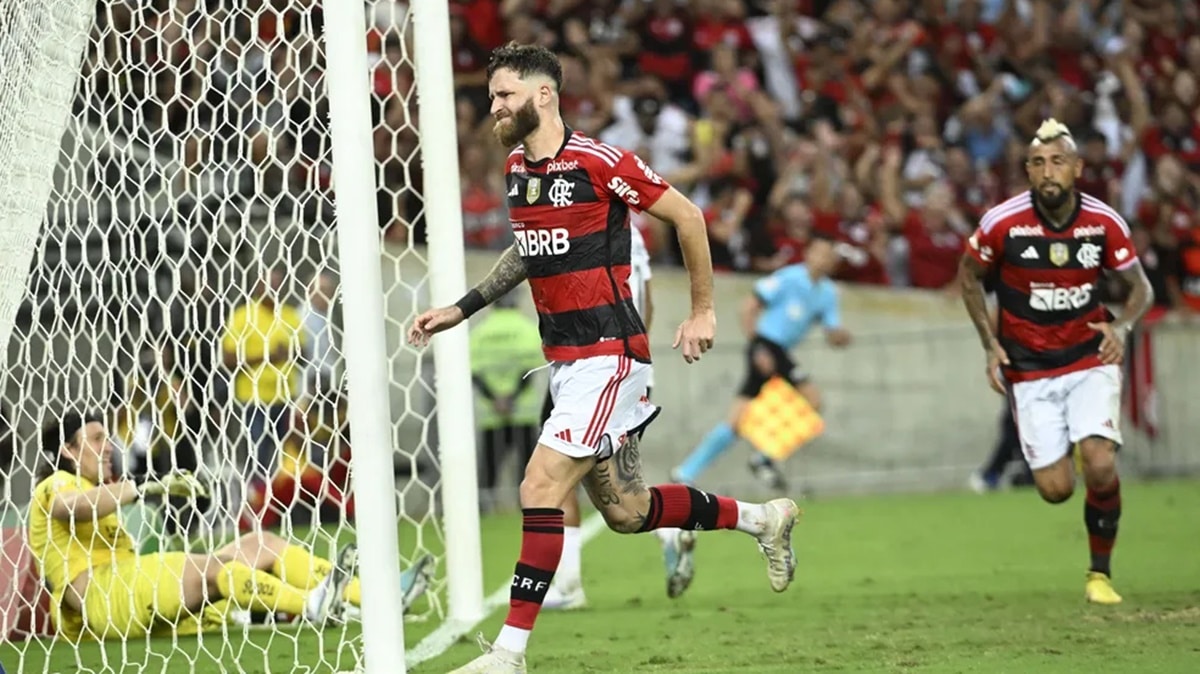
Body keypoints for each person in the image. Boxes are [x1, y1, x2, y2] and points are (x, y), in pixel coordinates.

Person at [409, 43, 799, 673]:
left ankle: (508, 654)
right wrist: (463, 306)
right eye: (491, 97)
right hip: (567, 360)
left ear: (543, 95)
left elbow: (689, 216)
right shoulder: (516, 168)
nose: (494, 107)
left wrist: (702, 310)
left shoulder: (600, 162)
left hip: (610, 354)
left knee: (538, 484)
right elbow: (529, 251)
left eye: (504, 95)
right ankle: (762, 519)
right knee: (626, 511)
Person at [958, 119, 1154, 605]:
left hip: (1090, 354)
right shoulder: (1002, 222)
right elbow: (967, 278)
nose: (1049, 172)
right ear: (1027, 170)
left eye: (1058, 162)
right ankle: (1066, 447)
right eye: (1039, 163)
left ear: (1077, 168)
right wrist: (989, 344)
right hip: (1029, 365)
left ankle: (1099, 575)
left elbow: (1141, 289)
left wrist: (1122, 327)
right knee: (1054, 489)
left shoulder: (1104, 222)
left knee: (1101, 464)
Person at [26, 412, 431, 641]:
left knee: (263, 542)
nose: (109, 447)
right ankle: (309, 605)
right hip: (105, 597)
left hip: (133, 585)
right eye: (96, 440)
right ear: (67, 449)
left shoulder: (99, 489)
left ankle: (379, 597)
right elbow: (70, 507)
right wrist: (142, 488)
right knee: (216, 571)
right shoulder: (57, 483)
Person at [541, 225, 697, 610]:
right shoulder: (633, 234)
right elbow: (647, 305)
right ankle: (669, 533)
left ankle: (568, 584)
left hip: (592, 367)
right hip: (627, 369)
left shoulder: (589, 222)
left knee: (553, 478)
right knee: (614, 492)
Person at [672, 235, 852, 492]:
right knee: (813, 400)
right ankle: (764, 457)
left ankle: (685, 472)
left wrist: (842, 337)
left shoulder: (828, 293)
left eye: (829, 255)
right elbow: (748, 307)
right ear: (809, 253)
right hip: (766, 345)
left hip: (781, 351)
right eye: (820, 252)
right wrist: (757, 347)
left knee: (736, 421)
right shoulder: (789, 278)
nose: (824, 260)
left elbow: (833, 333)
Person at [469, 290, 545, 511]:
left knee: (489, 468)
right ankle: (531, 508)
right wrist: (512, 398)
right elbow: (531, 369)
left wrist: (495, 399)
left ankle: (483, 509)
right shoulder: (527, 329)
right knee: (528, 467)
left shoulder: (479, 333)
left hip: (491, 412)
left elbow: (474, 371)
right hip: (522, 410)